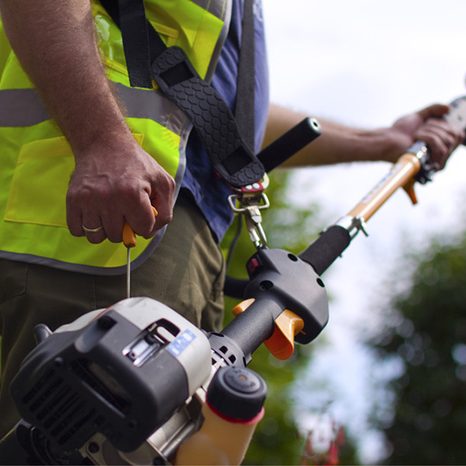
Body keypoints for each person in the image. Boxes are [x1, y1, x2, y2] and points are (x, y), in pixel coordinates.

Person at [0, 0, 463, 463]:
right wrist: (102, 141)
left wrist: (381, 142)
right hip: (99, 232)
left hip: (170, 239)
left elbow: (223, 119)